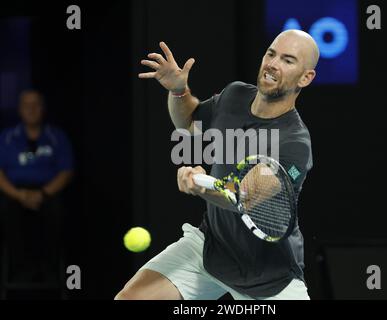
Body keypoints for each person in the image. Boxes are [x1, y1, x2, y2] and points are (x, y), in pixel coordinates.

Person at [116, 30, 319, 300]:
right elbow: (188, 123)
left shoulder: (294, 143)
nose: (273, 63)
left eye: (288, 60)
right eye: (271, 53)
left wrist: (202, 188)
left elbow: (242, 196)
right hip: (212, 247)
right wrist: (179, 91)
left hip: (269, 277)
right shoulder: (235, 95)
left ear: (306, 77)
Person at [0, 90, 74, 284]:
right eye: (26, 105)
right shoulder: (7, 137)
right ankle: (19, 272)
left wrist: (42, 194)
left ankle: (50, 272)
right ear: (19, 109)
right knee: (7, 213)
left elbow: (66, 171)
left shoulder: (57, 137)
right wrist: (19, 195)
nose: (31, 110)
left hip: (47, 192)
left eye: (36, 105)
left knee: (58, 213)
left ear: (43, 108)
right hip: (15, 193)